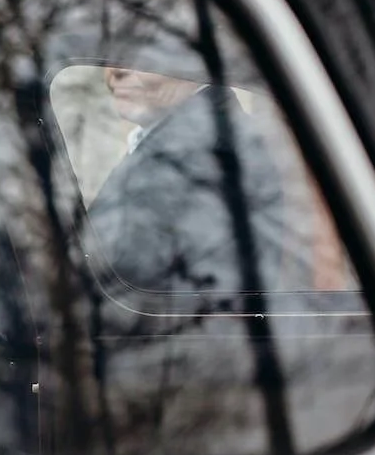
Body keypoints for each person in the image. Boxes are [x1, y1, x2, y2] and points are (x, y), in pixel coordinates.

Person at [82, 62, 292, 299]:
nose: (114, 71)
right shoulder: (177, 142)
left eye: (138, 51)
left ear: (188, 60)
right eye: (112, 53)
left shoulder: (208, 152)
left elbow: (204, 298)